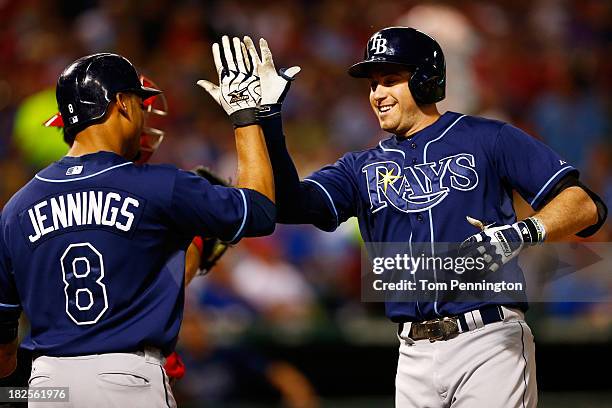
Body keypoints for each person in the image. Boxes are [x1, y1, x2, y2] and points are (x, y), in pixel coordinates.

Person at [242, 28, 607, 407]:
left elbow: (584, 204)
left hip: (488, 339)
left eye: (390, 81)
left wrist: (520, 233)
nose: (377, 95)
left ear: (425, 80)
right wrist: (266, 120)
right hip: (412, 352)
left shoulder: (487, 137)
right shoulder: (359, 167)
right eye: (372, 85)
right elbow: (290, 204)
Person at [0, 38, 275, 407]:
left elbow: (3, 345)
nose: (144, 114)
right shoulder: (160, 185)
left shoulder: (16, 208)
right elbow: (259, 211)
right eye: (139, 101)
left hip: (48, 385)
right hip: (127, 379)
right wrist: (245, 117)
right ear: (122, 104)